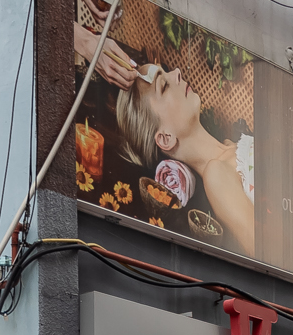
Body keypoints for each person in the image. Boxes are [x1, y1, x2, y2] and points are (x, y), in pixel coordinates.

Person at [106, 65, 256, 253]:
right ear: (165, 138)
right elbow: (271, 258)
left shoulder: (234, 146)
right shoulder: (216, 176)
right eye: (164, 86)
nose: (177, 72)